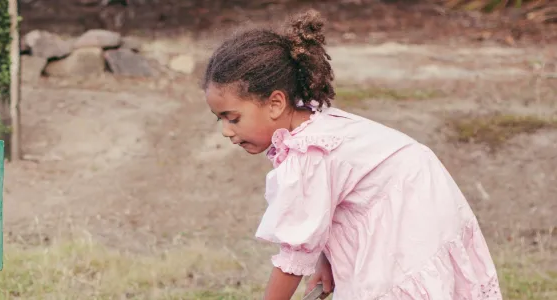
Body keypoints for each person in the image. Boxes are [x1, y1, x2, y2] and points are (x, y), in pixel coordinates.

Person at [202, 10, 502, 300]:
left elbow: (295, 251)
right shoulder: (310, 124)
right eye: (221, 120)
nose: (227, 131)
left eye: (233, 118)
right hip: (417, 192)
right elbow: (319, 213)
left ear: (275, 103)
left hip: (408, 212)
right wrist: (325, 261)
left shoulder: (309, 153)